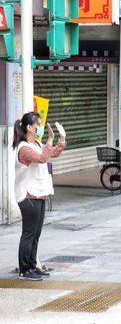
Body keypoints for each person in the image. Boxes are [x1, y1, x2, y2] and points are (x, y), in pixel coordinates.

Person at [12, 112, 66, 281]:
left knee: (36, 234)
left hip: (39, 194)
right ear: (29, 127)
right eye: (38, 125)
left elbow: (52, 153)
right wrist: (50, 139)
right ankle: (24, 270)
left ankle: (33, 265)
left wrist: (61, 138)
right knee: (28, 234)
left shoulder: (36, 143)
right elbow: (43, 158)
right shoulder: (24, 148)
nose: (41, 128)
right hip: (28, 195)